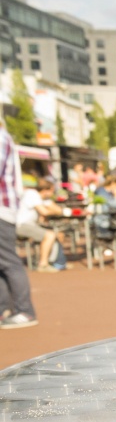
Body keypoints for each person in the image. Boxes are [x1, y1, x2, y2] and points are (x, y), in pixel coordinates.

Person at [0, 119, 38, 329]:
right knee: (3, 263)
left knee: (8, 262)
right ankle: (5, 309)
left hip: (2, 210)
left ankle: (24, 311)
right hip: (5, 209)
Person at [16, 177, 65, 272]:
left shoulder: (40, 197)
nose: (53, 194)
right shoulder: (32, 194)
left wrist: (54, 209)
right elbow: (44, 212)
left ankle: (59, 261)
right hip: (21, 225)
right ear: (46, 190)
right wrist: (53, 211)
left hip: (30, 225)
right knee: (49, 235)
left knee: (58, 234)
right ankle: (43, 264)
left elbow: (58, 209)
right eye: (52, 191)